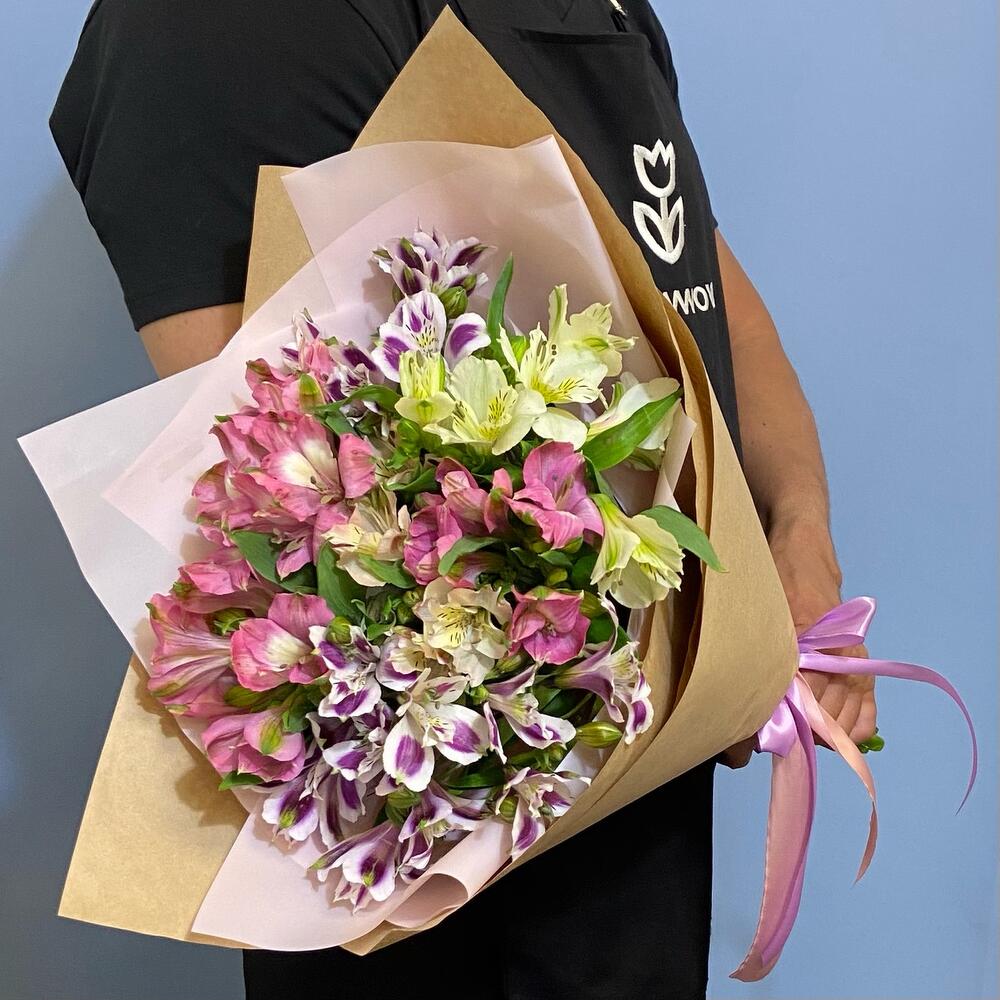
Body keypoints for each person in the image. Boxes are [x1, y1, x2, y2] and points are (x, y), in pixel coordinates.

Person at [47, 2, 878, 997]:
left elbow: (711, 310)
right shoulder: (226, 26)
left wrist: (796, 538)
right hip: (445, 866)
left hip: (640, 835)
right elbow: (298, 514)